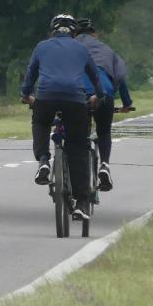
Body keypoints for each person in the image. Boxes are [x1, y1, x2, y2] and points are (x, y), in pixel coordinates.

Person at [20, 14, 105, 220]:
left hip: (46, 97)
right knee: (78, 146)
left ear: (53, 31)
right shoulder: (82, 49)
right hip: (75, 101)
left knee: (40, 122)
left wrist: (26, 95)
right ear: (74, 32)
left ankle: (43, 160)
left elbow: (31, 75)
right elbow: (95, 76)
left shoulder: (41, 47)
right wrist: (98, 96)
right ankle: (82, 202)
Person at [73, 18, 134, 191]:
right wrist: (127, 103)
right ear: (95, 34)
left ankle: (75, 171)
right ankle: (104, 165)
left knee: (76, 132)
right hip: (104, 93)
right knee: (104, 130)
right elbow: (120, 78)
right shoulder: (107, 50)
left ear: (74, 34)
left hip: (77, 94)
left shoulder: (70, 48)